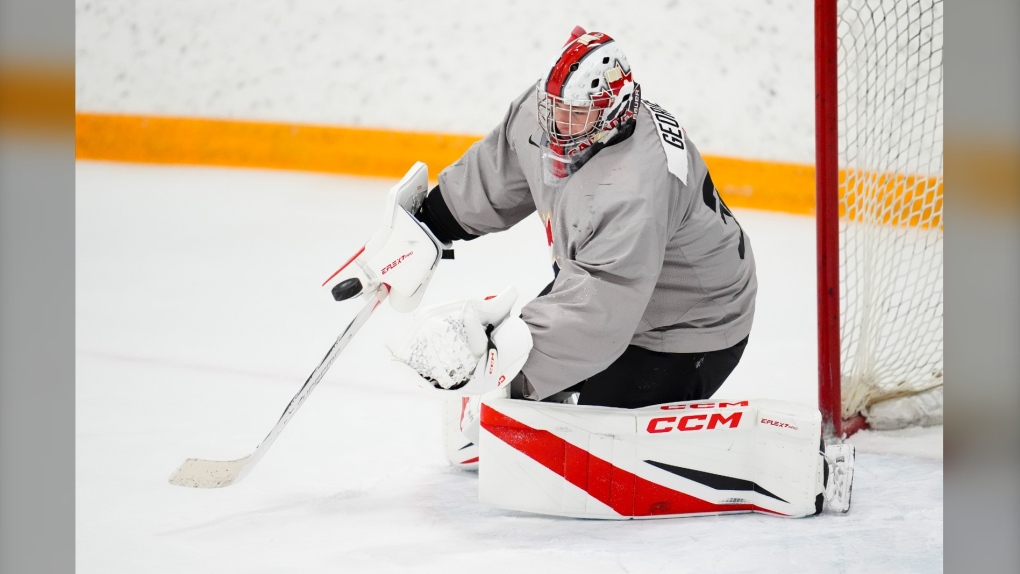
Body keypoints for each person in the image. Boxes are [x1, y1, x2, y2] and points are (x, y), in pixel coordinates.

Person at [403, 26, 757, 410]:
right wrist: (431, 222)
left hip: (689, 321)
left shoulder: (634, 187)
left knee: (597, 438)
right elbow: (502, 168)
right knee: (510, 395)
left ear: (614, 111)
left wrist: (501, 360)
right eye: (553, 108)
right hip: (619, 281)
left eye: (574, 115)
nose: (556, 125)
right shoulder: (553, 115)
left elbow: (602, 304)